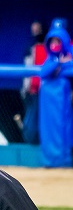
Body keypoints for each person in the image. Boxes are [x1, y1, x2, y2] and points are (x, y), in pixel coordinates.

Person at [38, 23, 73, 167]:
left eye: (57, 41)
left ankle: (64, 160)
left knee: (66, 130)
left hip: (66, 101)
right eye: (52, 41)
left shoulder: (70, 52)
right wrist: (59, 62)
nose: (54, 44)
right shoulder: (51, 59)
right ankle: (50, 161)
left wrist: (62, 66)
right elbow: (44, 72)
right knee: (49, 130)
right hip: (49, 103)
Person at [20, 20, 47, 144]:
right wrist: (26, 88)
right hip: (32, 92)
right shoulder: (30, 49)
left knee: (46, 121)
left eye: (38, 30)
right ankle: (30, 145)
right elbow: (27, 71)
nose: (36, 33)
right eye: (34, 31)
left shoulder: (49, 49)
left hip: (46, 92)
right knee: (30, 122)